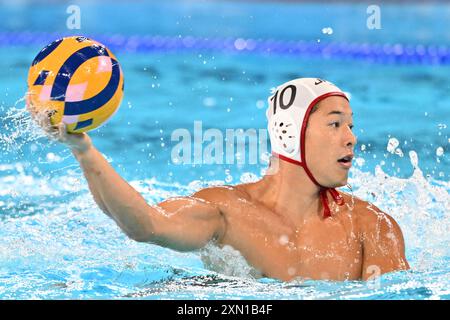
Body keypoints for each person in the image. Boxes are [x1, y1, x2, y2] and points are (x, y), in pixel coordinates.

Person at [38, 78, 409, 281]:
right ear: (291, 133)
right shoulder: (225, 211)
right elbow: (146, 226)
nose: (351, 137)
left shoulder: (371, 228)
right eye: (335, 124)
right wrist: (83, 149)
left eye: (351, 125)